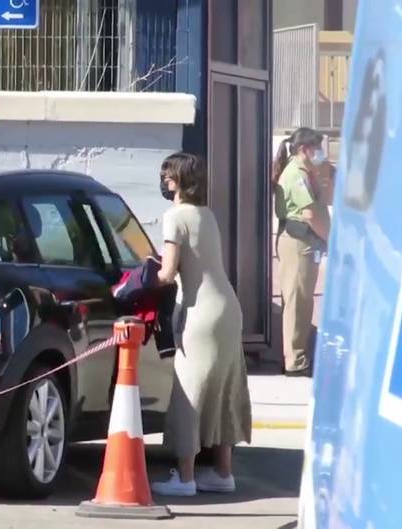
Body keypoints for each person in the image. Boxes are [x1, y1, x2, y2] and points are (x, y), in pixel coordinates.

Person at [149, 152, 252, 497]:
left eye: (169, 176)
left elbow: (167, 273)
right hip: (228, 308)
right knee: (224, 390)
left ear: (176, 181)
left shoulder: (174, 217)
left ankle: (186, 477)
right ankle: (223, 473)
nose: (166, 181)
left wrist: (144, 271)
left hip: (200, 313)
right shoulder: (207, 216)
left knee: (189, 393)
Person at [273, 127, 331, 377]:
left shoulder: (306, 171)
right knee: (297, 303)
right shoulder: (296, 174)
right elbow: (308, 213)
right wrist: (331, 238)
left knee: (303, 301)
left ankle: (297, 356)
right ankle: (295, 361)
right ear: (302, 149)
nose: (319, 152)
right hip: (298, 241)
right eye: (316, 148)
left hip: (306, 243)